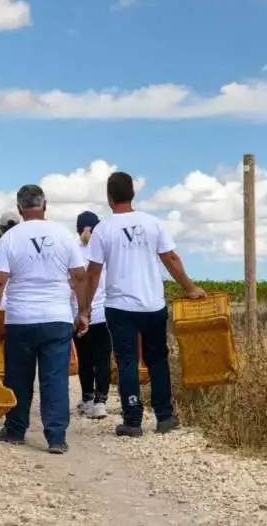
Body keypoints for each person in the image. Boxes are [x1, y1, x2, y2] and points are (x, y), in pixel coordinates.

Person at [86, 171, 206, 437]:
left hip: (119, 307)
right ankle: (165, 417)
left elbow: (93, 272)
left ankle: (132, 420)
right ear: (132, 194)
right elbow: (171, 258)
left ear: (109, 198)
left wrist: (84, 307)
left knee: (127, 360)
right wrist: (190, 287)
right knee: (157, 359)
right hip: (152, 304)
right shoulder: (153, 223)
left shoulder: (103, 229)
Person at [0, 184, 89, 454]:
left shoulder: (9, 238)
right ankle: (56, 437)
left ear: (20, 208)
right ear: (45, 205)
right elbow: (79, 276)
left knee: (18, 377)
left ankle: (15, 430)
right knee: (54, 378)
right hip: (56, 317)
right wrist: (83, 311)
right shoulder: (64, 235)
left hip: (21, 318)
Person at [72, 211, 111, 419]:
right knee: (102, 358)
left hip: (79, 312)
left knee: (85, 357)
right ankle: (100, 401)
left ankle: (87, 399)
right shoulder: (104, 247)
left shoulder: (72, 249)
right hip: (102, 312)